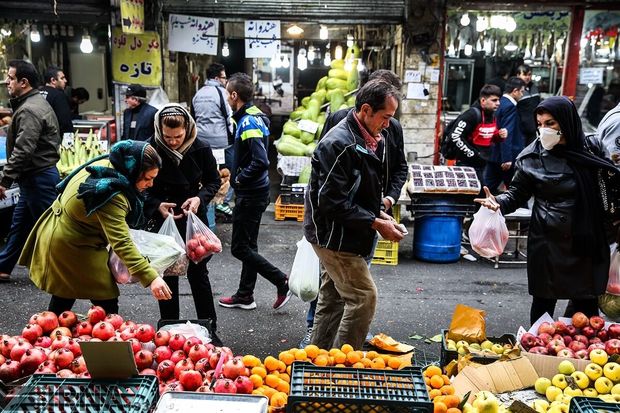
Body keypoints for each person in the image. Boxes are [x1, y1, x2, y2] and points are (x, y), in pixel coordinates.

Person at [475, 96, 618, 324]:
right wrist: (498, 202)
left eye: (550, 123)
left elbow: (608, 183)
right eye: (539, 124)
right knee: (543, 305)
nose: (543, 130)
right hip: (549, 243)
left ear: (567, 121)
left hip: (587, 241)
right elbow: (516, 194)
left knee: (587, 308)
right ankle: (537, 355)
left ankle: (586, 357)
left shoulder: (592, 147)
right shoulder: (531, 157)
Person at [299, 69, 408, 348]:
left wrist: (381, 212)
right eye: (385, 118)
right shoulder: (340, 143)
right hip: (334, 235)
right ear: (367, 110)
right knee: (363, 297)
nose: (388, 126)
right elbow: (330, 202)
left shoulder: (368, 136)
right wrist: (375, 222)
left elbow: (357, 190)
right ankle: (345, 364)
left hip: (347, 230)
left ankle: (317, 359)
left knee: (333, 296)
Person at [19, 140, 172, 314]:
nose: (150, 184)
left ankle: (49, 334)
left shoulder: (109, 164)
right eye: (147, 178)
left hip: (66, 233)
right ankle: (109, 338)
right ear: (133, 170)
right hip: (70, 243)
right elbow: (121, 242)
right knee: (104, 300)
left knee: (64, 293)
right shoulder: (109, 194)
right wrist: (151, 277)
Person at [144, 104, 223, 345]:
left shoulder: (200, 147)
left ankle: (210, 328)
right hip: (163, 220)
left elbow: (213, 181)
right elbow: (140, 184)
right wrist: (157, 204)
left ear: (187, 129)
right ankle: (168, 330)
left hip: (192, 219)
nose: (173, 142)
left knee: (199, 275)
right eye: (168, 137)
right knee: (168, 274)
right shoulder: (151, 148)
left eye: (178, 136)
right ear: (160, 130)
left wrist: (200, 198)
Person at [218, 73, 290, 311]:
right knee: (249, 245)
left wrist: (238, 179)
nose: (227, 98)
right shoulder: (251, 117)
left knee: (239, 247)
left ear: (234, 95)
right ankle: (245, 294)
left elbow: (260, 160)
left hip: (251, 194)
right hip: (255, 192)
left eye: (228, 93)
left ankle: (281, 281)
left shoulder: (248, 121)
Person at [0, 60, 61, 283]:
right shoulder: (31, 104)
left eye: (11, 77)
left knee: (51, 230)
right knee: (20, 226)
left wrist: (5, 180)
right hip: (33, 178)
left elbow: (24, 149)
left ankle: (66, 272)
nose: (7, 81)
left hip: (39, 178)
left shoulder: (29, 110)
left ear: (23, 82)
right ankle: (3, 266)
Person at [192, 63, 235, 219]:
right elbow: (228, 117)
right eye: (224, 77)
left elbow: (193, 117)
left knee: (207, 173)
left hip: (202, 141)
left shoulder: (198, 93)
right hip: (221, 141)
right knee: (227, 173)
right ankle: (222, 203)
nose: (225, 80)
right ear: (217, 78)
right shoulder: (222, 93)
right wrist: (232, 136)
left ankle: (208, 202)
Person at [443, 84, 507, 187]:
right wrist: (473, 154)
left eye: (499, 100)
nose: (498, 103)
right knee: (471, 196)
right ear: (483, 101)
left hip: (482, 164)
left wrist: (499, 136)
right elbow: (455, 136)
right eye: (494, 100)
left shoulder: (492, 114)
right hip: (466, 165)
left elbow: (488, 137)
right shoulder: (471, 115)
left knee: (480, 195)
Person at [484, 77, 526, 194]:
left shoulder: (499, 103)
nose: (522, 94)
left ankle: (478, 208)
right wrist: (507, 158)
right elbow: (507, 133)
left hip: (494, 154)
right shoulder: (510, 107)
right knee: (517, 190)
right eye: (522, 91)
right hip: (505, 157)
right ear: (515, 91)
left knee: (488, 187)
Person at [40, 66, 73, 136]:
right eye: (62, 78)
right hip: (53, 139)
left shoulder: (36, 93)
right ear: (53, 80)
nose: (65, 81)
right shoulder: (58, 95)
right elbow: (65, 122)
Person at [515, 65, 541, 146]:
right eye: (525, 75)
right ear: (518, 75)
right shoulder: (515, 90)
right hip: (520, 131)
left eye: (529, 75)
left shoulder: (534, 87)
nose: (527, 77)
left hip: (534, 129)